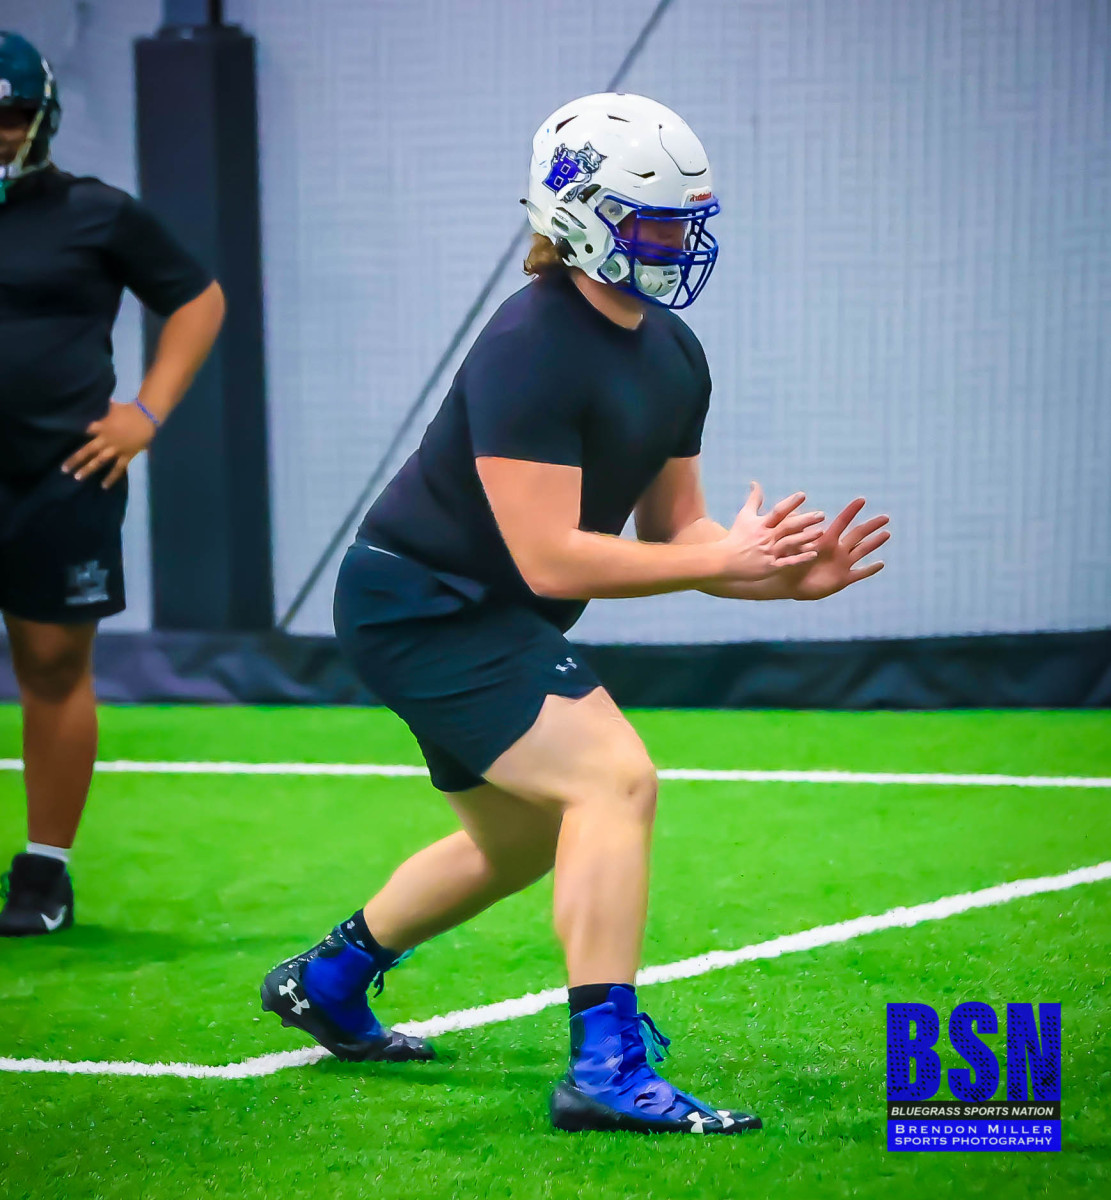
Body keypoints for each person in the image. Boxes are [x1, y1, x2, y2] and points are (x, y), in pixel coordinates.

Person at [262, 92, 889, 1134]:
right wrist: (720, 559)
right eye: (653, 223)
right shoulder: (530, 340)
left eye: (684, 223)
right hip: (421, 605)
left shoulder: (674, 350)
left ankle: (326, 981)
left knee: (517, 841)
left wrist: (772, 575)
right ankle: (604, 1068)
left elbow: (676, 533)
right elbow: (546, 553)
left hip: (484, 611)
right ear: (581, 217)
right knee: (612, 779)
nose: (675, 244)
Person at [0, 32, 225, 936]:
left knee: (53, 668)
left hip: (62, 478)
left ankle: (43, 873)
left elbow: (198, 299)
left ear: (43, 119)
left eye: (11, 115)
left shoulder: (97, 213)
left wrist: (147, 413)